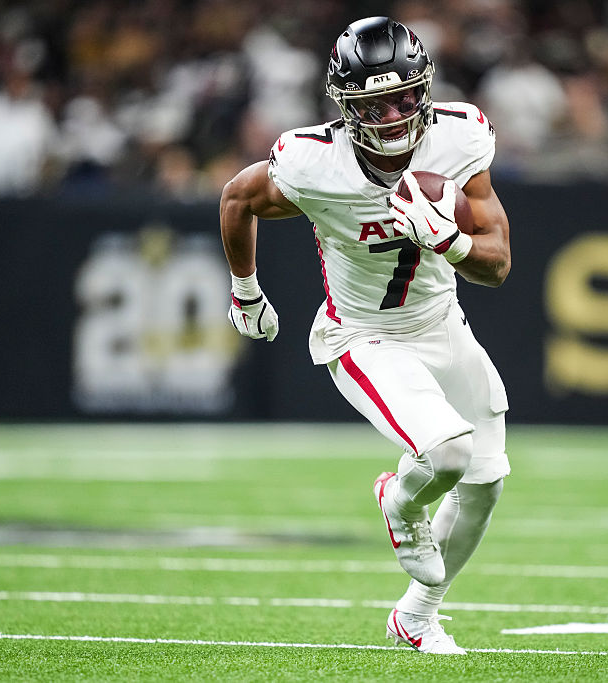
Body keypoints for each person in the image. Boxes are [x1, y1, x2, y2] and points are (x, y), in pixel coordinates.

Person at [219, 16, 511, 655]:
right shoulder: (313, 162)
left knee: (486, 479)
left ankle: (417, 616)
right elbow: (237, 198)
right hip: (364, 335)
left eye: (406, 95)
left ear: (425, 88)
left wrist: (450, 239)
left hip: (443, 325)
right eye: (375, 101)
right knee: (448, 453)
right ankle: (398, 501)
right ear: (346, 105)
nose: (395, 113)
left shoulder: (458, 139)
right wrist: (245, 291)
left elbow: (498, 262)